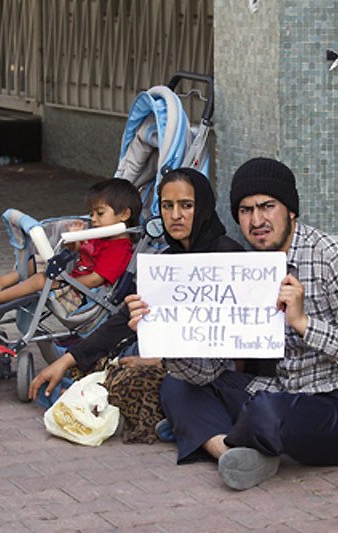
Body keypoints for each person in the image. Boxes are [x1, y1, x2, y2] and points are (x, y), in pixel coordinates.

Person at [126, 157, 338, 490]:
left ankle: (209, 432)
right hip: (285, 392)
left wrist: (302, 323)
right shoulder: (248, 269)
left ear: (291, 210)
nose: (257, 220)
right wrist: (162, 334)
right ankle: (227, 451)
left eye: (267, 206)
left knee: (267, 413)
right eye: (245, 210)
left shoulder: (337, 257)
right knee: (176, 383)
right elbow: (209, 370)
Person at [28, 168, 243, 442]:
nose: (175, 215)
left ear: (203, 207)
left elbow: (234, 342)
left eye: (186, 205)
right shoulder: (167, 260)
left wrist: (161, 362)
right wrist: (66, 360)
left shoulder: (228, 256)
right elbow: (122, 320)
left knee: (132, 382)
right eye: (167, 206)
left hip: (213, 372)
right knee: (92, 366)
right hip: (171, 358)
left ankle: (173, 421)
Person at [0, 179, 141, 309]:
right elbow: (80, 253)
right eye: (91, 214)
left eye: (99, 214)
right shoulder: (100, 235)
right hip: (74, 280)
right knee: (34, 262)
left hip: (86, 295)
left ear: (124, 215)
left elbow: (96, 279)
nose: (93, 219)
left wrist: (66, 283)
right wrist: (74, 241)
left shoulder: (120, 248)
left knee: (42, 279)